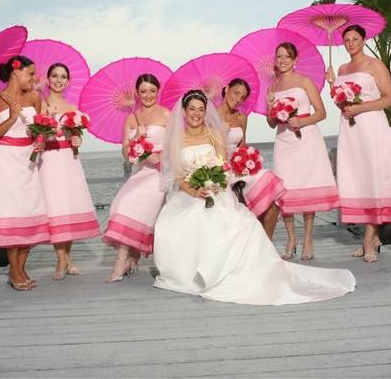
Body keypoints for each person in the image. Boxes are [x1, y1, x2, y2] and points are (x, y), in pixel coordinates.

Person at [152, 89, 356, 305]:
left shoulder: (214, 135)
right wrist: (195, 191)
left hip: (216, 190)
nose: (196, 113)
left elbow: (223, 167)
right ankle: (194, 271)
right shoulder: (177, 139)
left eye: (201, 110)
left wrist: (213, 184)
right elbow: (178, 175)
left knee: (226, 218)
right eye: (192, 109)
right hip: (190, 193)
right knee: (192, 216)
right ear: (184, 111)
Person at [328, 25, 391, 262]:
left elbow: (389, 97)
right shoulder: (342, 68)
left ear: (363, 40)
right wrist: (333, 85)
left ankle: (368, 239)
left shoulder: (374, 65)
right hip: (350, 131)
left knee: (372, 177)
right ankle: (371, 236)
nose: (350, 43)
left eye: (355, 39)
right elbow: (342, 104)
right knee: (357, 179)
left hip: (371, 127)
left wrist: (360, 108)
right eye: (347, 40)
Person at [0, 55, 49, 291]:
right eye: (30, 73)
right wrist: (12, 118)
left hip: (27, 163)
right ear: (16, 72)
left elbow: (39, 130)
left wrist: (40, 141)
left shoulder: (35, 98)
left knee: (28, 214)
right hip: (5, 162)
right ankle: (14, 271)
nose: (34, 78)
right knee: (10, 214)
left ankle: (20, 268)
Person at [267, 42, 338, 261]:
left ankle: (307, 238)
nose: (282, 60)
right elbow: (271, 123)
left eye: (287, 56)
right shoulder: (273, 87)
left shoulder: (305, 82)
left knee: (307, 187)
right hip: (283, 141)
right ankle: (291, 238)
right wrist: (271, 108)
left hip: (306, 139)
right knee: (284, 191)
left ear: (295, 59)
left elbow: (322, 113)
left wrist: (301, 120)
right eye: (279, 56)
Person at [102, 74, 170, 282]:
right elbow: (124, 151)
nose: (148, 95)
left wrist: (161, 156)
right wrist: (137, 140)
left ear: (158, 91)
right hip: (141, 171)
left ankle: (124, 260)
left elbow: (176, 145)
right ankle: (128, 257)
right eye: (143, 91)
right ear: (137, 94)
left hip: (160, 172)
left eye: (152, 90)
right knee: (121, 203)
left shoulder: (167, 115)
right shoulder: (132, 118)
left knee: (131, 203)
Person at [38, 62, 100, 280]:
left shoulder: (73, 109)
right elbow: (34, 135)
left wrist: (77, 140)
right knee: (55, 208)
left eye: (63, 77)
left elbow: (77, 138)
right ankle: (62, 260)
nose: (58, 80)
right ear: (48, 79)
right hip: (49, 160)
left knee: (69, 208)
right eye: (54, 75)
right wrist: (45, 128)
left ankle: (67, 259)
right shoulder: (40, 105)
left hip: (69, 159)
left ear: (68, 81)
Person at [216, 78, 284, 238]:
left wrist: (245, 162)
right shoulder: (211, 116)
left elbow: (242, 147)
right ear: (226, 89)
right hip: (220, 169)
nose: (238, 99)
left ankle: (264, 247)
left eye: (242, 97)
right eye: (236, 93)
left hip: (238, 168)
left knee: (270, 187)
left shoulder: (241, 117)